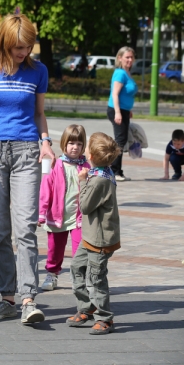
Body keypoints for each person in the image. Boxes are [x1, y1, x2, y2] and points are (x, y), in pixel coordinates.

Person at [0, 14, 56, 324]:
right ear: (5, 43)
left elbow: (40, 113)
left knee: (26, 228)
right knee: (1, 231)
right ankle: (7, 297)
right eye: (19, 47)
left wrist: (45, 142)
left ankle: (29, 298)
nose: (24, 53)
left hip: (26, 151)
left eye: (28, 46)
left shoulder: (38, 70)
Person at [68, 132, 121, 335]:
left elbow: (85, 206)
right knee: (76, 266)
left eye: (87, 147)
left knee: (96, 278)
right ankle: (87, 306)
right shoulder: (102, 172)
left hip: (99, 239)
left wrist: (82, 182)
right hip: (90, 236)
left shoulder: (99, 181)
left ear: (90, 155)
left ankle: (104, 317)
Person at [38, 124, 90, 291]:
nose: (75, 147)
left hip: (79, 219)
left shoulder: (87, 167)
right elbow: (45, 190)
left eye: (79, 144)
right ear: (64, 144)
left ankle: (78, 279)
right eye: (71, 143)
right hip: (56, 216)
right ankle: (52, 274)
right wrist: (41, 213)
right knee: (54, 251)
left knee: (80, 252)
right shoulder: (56, 164)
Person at [107, 47, 138, 182]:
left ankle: (118, 170)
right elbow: (115, 94)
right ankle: (114, 171)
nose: (130, 60)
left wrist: (128, 110)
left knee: (122, 141)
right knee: (119, 141)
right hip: (116, 110)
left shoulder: (127, 73)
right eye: (127, 57)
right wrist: (118, 112)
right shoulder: (120, 73)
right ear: (120, 58)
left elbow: (126, 94)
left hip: (123, 110)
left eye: (131, 57)